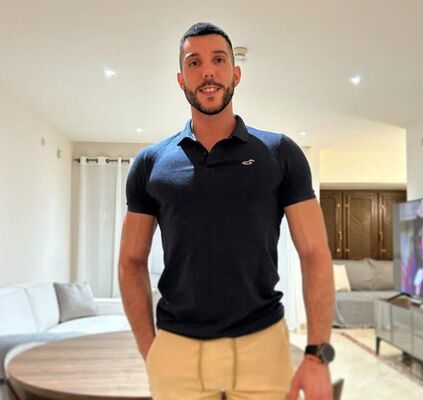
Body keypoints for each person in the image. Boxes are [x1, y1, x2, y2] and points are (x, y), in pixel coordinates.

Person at [118, 22, 335, 400]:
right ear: (181, 79)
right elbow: (131, 262)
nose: (208, 72)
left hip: (263, 348)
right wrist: (149, 348)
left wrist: (317, 355)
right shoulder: (150, 163)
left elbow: (315, 253)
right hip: (176, 350)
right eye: (194, 62)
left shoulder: (280, 153)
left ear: (236, 73)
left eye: (218, 60)